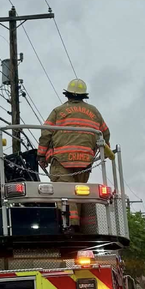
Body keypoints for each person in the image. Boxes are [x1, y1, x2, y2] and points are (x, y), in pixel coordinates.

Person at [37, 79, 113, 230]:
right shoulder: (94, 112)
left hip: (61, 159)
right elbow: (105, 133)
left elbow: (46, 133)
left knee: (63, 193)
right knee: (78, 193)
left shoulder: (58, 111)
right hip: (85, 160)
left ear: (68, 95)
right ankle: (76, 225)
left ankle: (69, 226)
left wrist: (41, 155)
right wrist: (105, 151)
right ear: (84, 96)